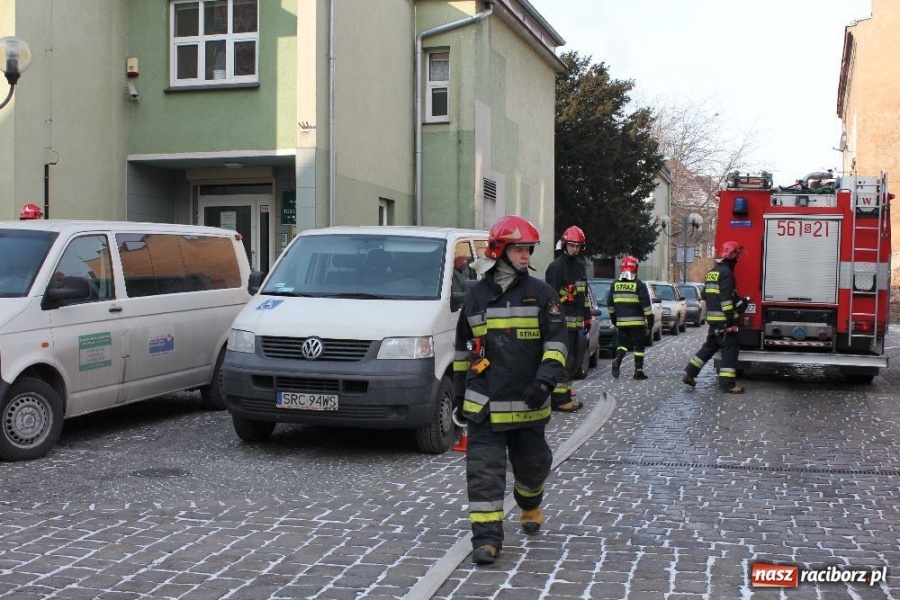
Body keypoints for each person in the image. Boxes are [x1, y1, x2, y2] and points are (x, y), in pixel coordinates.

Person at [453, 214, 568, 566]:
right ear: (500, 250)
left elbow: (558, 342)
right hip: (484, 404)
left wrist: (545, 380)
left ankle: (529, 501)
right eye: (519, 248)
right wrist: (459, 395)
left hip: (528, 401)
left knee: (534, 466)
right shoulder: (475, 296)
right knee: (483, 473)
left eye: (529, 249)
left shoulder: (541, 294)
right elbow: (463, 350)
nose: (526, 255)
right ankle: (486, 540)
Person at [683, 240, 746, 393]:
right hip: (724, 321)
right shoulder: (727, 274)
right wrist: (730, 321)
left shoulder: (712, 272)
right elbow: (725, 300)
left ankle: (690, 374)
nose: (738, 259)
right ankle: (728, 383)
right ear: (732, 256)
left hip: (713, 321)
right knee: (730, 349)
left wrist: (740, 302)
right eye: (737, 256)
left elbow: (706, 294)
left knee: (709, 347)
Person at [543, 225, 591, 412]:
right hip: (560, 324)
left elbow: (583, 295)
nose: (575, 249)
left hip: (577, 323)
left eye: (578, 246)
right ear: (564, 245)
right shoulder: (556, 267)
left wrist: (586, 318)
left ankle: (565, 394)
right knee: (562, 360)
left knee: (573, 361)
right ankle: (560, 400)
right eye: (572, 246)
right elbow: (550, 299)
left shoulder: (580, 266)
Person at [606, 255, 654, 380]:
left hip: (621, 322)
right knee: (639, 347)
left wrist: (614, 319)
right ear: (635, 269)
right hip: (637, 323)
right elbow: (646, 306)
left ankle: (617, 360)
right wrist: (650, 320)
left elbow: (610, 304)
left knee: (623, 344)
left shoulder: (615, 285)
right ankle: (638, 372)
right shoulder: (639, 285)